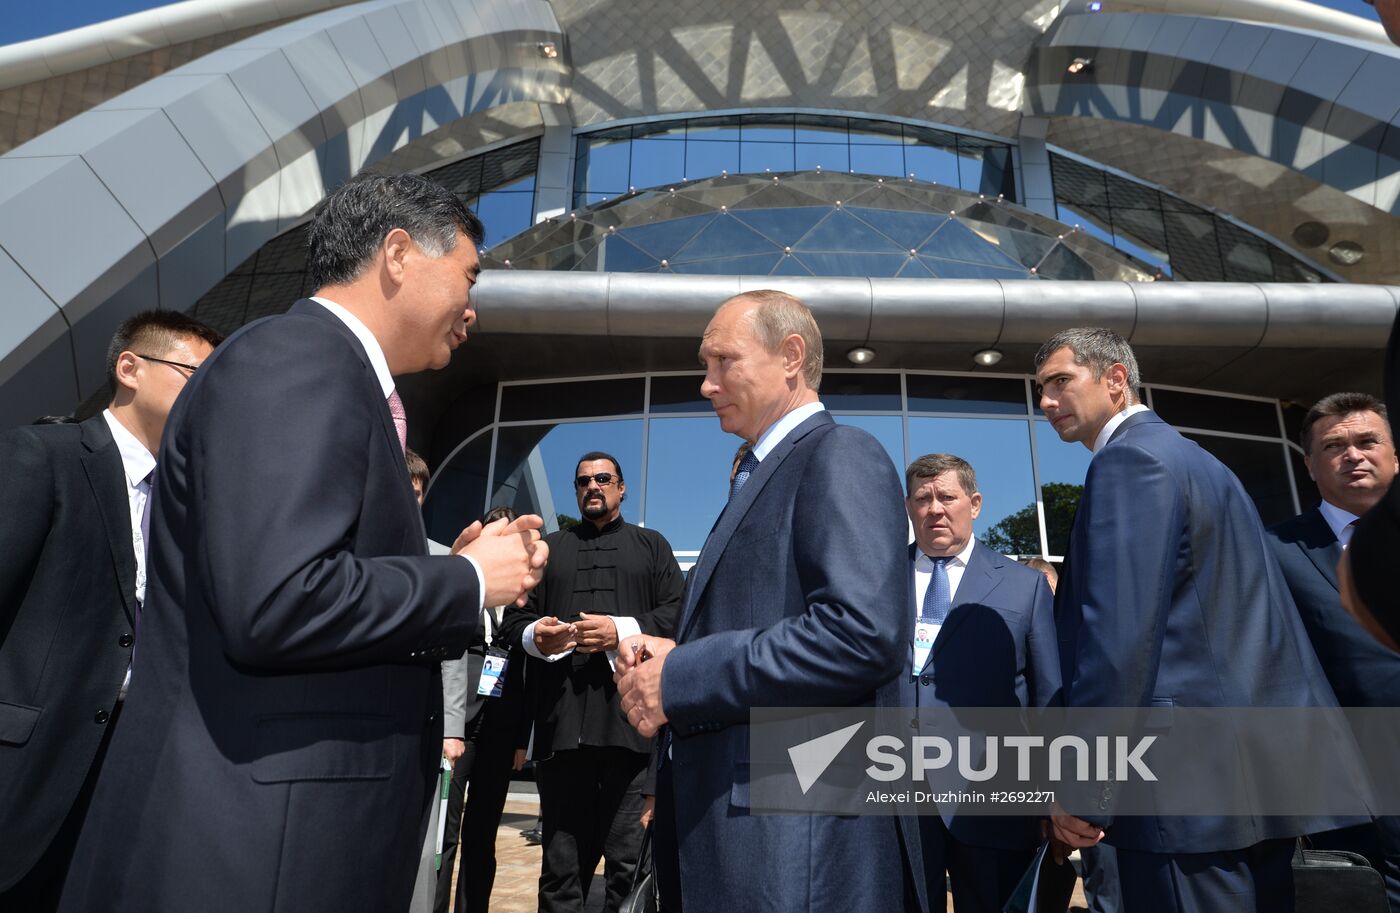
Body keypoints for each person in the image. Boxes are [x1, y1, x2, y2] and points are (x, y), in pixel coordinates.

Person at [58, 172, 549, 913]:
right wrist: (468, 582)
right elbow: (277, 600)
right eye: (468, 276)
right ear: (398, 253)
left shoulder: (328, 372)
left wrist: (443, 566)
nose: (471, 309)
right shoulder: (300, 358)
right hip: (256, 850)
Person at [1036, 326, 1363, 913]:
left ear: (1116, 380)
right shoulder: (1202, 462)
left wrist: (1085, 787)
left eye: (1061, 381)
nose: (1046, 402)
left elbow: (1118, 641)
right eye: (1040, 390)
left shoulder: (1129, 461)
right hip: (1255, 781)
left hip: (1181, 792)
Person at [613, 290, 916, 913]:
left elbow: (860, 635)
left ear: (791, 357)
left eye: (723, 360)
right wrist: (675, 652)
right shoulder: (763, 471)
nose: (706, 384)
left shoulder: (840, 454)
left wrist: (683, 675)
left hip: (794, 852)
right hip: (742, 837)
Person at [0, 310, 221, 911]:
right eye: (193, 376)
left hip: (131, 768)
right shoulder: (44, 455)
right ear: (131, 368)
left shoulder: (191, 502)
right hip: (27, 768)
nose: (208, 397)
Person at [498, 452, 683, 913]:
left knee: (628, 873)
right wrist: (537, 635)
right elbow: (514, 619)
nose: (593, 487)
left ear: (621, 487)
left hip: (632, 740)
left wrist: (620, 630)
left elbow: (678, 614)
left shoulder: (652, 546)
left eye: (603, 479)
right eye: (583, 481)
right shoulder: (550, 548)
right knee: (560, 875)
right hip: (562, 737)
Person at [902, 453, 1060, 913]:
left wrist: (1056, 794)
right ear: (908, 507)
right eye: (922, 498)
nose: (935, 508)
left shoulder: (1022, 586)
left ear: (974, 503)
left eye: (946, 497)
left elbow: (1047, 693)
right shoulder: (874, 581)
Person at [1266, 391, 1400, 908]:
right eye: (1334, 446)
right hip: (1352, 796)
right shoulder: (1275, 552)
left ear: (1394, 453)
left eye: (1368, 441)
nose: (1354, 455)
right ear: (1310, 465)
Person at [437, 506, 532, 913]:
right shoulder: (464, 580)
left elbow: (528, 670)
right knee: (447, 833)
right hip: (459, 726)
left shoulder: (524, 590)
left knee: (484, 834)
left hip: (500, 728)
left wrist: (520, 737)